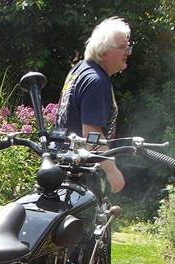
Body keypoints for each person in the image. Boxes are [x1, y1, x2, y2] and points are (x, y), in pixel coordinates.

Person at [55, 17, 132, 193]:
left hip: (60, 166)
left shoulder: (79, 70)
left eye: (128, 47)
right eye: (122, 47)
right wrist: (111, 170)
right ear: (103, 51)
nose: (128, 52)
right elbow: (91, 135)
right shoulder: (96, 81)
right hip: (80, 173)